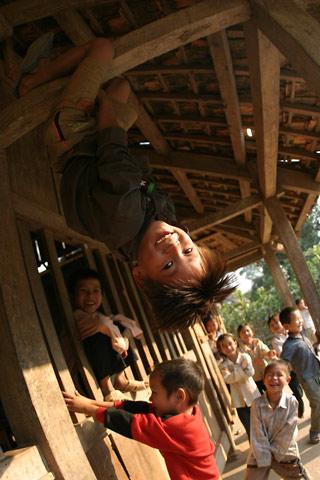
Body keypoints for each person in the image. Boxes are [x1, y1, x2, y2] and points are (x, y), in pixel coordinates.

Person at [17, 34, 236, 331]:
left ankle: (35, 76)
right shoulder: (155, 226)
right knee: (123, 88)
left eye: (168, 265)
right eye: (187, 252)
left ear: (140, 276)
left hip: (72, 135)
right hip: (95, 151)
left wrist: (100, 103)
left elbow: (111, 138)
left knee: (103, 49)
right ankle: (70, 77)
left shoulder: (124, 217)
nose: (173, 245)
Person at [63, 358, 220, 480]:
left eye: (155, 392)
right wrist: (91, 402)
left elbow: (130, 423)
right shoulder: (187, 413)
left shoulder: (178, 428)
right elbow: (140, 408)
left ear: (179, 396)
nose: (151, 398)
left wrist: (86, 408)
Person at [70, 268, 146, 400]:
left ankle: (120, 379)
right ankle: (107, 388)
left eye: (96, 291)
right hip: (87, 373)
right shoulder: (78, 316)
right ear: (73, 295)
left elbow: (111, 322)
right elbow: (101, 325)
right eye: (84, 291)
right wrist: (119, 338)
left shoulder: (97, 315)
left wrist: (125, 330)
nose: (90, 296)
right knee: (97, 337)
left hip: (104, 366)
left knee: (120, 326)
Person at [246, 360, 311, 480]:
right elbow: (257, 433)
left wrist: (274, 453)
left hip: (284, 451)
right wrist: (265, 456)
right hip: (260, 452)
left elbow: (288, 432)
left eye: (279, 375)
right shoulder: (256, 404)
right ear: (263, 380)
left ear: (288, 380)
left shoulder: (292, 402)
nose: (273, 378)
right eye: (269, 375)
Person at [280, 306, 320, 444]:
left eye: (300, 318)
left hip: (317, 371)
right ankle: (315, 431)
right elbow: (283, 362)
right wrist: (282, 376)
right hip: (307, 379)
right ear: (287, 326)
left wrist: (317, 343)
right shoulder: (289, 345)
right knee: (317, 404)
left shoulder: (302, 335)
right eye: (297, 320)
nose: (301, 321)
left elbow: (310, 351)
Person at [216, 333, 260, 439]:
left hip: (253, 396)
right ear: (220, 350)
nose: (228, 347)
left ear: (235, 343)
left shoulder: (245, 357)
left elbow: (250, 372)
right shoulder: (222, 365)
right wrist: (240, 369)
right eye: (224, 346)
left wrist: (233, 373)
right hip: (239, 401)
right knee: (249, 428)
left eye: (230, 344)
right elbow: (227, 379)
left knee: (261, 424)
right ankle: (255, 451)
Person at [267, 313, 304, 418]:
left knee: (307, 388)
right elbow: (282, 353)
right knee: (297, 392)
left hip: (302, 365)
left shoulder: (292, 333)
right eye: (272, 325)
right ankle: (299, 410)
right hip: (290, 370)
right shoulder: (275, 340)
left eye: (276, 322)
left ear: (282, 322)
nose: (275, 326)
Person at [238, 324, 276, 393]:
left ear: (252, 332)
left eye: (247, 331)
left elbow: (265, 351)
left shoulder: (258, 342)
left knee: (272, 392)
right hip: (254, 378)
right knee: (261, 397)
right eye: (243, 332)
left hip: (265, 373)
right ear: (240, 336)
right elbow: (241, 362)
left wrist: (269, 353)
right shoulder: (240, 349)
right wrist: (251, 363)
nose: (246, 333)